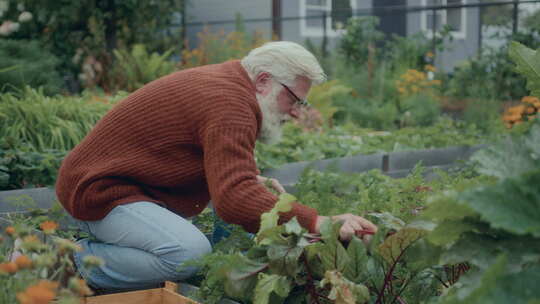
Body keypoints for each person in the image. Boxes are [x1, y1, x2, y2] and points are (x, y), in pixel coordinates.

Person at [55, 41, 378, 292]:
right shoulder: (231, 104)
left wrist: (254, 188)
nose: (295, 112)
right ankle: (62, 264)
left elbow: (233, 181)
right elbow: (234, 198)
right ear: (264, 80)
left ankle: (108, 260)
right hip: (98, 193)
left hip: (128, 188)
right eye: (294, 99)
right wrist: (319, 221)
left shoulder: (232, 87)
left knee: (223, 229)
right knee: (188, 253)